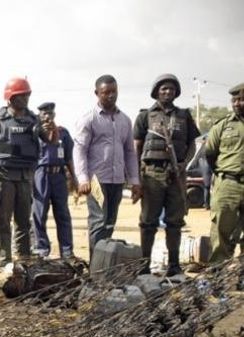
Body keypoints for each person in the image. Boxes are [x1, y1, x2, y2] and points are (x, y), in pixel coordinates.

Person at [0, 77, 54, 268]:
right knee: (3, 221)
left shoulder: (33, 120)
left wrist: (51, 128)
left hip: (25, 177)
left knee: (23, 221)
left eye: (27, 95)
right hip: (3, 177)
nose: (26, 98)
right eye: (22, 95)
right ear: (11, 97)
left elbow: (50, 141)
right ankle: (4, 260)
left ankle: (23, 259)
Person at [134, 74, 200, 276]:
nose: (168, 92)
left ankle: (173, 265)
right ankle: (144, 265)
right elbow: (136, 147)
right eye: (163, 88)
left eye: (171, 89)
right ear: (156, 92)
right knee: (148, 222)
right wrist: (137, 177)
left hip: (176, 176)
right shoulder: (145, 116)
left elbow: (192, 144)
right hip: (152, 174)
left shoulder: (184, 115)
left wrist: (184, 164)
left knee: (174, 222)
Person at [73, 75, 141, 259]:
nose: (111, 95)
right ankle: (95, 267)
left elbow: (130, 152)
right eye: (106, 92)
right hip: (96, 180)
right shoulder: (89, 119)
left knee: (110, 223)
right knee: (98, 222)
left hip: (117, 180)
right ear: (97, 93)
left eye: (114, 91)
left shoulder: (125, 120)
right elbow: (79, 150)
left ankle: (103, 264)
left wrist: (134, 180)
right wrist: (83, 179)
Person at [31, 101, 77, 259]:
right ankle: (41, 249)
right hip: (41, 175)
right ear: (39, 116)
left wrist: (74, 178)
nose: (47, 117)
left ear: (54, 115)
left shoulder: (63, 133)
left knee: (63, 214)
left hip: (59, 176)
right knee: (39, 214)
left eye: (50, 113)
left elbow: (69, 158)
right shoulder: (35, 133)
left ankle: (67, 250)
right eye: (44, 114)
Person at [206, 83, 244, 265]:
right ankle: (217, 274)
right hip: (228, 184)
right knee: (221, 231)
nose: (237, 103)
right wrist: (225, 174)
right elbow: (210, 154)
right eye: (234, 100)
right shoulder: (222, 125)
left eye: (241, 100)